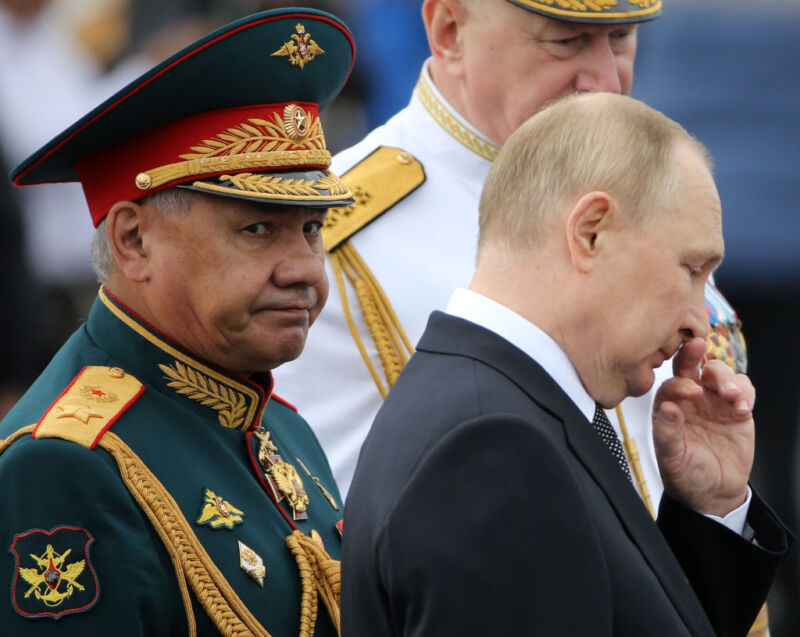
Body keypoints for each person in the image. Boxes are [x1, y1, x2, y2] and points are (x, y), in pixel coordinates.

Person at [342, 92, 793, 637]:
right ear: (590, 232)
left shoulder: (500, 408)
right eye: (691, 268)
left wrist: (708, 509)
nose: (700, 322)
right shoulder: (492, 448)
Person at [274, 0, 715, 518]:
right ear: (450, 31)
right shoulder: (330, 233)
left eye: (621, 38)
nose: (604, 81)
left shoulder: (660, 199)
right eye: (566, 41)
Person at [0, 8, 354, 636]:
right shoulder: (68, 464)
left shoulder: (277, 423)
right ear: (134, 242)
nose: (303, 268)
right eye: (258, 230)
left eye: (311, 229)